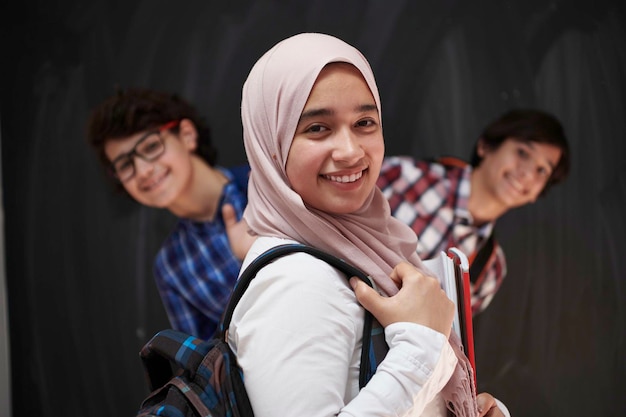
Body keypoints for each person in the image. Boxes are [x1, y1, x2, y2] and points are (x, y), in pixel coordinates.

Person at [229, 32, 508, 416]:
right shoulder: (294, 281)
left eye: (364, 122)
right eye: (317, 128)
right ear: (271, 144)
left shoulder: (373, 247)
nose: (350, 151)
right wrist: (420, 345)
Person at [86, 88, 249, 339]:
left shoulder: (265, 186)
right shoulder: (172, 266)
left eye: (151, 146)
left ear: (186, 135)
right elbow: (206, 368)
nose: (142, 171)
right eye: (125, 165)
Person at [377, 109, 570, 314]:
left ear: (537, 194)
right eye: (522, 153)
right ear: (485, 146)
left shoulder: (489, 272)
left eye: (542, 170)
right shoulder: (404, 177)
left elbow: (444, 340)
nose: (527, 173)